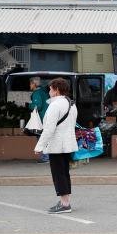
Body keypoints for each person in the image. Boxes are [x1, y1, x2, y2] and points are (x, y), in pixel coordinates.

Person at [34, 78, 78, 214]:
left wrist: (39, 146)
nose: (49, 91)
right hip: (68, 143)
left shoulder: (55, 105)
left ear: (57, 90)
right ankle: (65, 201)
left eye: (51, 89)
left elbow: (49, 129)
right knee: (64, 173)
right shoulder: (71, 104)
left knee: (58, 174)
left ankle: (65, 204)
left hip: (57, 144)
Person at [29, 77, 50, 163]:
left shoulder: (36, 93)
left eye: (30, 84)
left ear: (34, 84)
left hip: (41, 118)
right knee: (46, 137)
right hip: (47, 117)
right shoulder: (44, 92)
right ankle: (48, 157)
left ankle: (45, 157)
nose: (29, 85)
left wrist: (29, 105)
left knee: (41, 137)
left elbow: (38, 105)